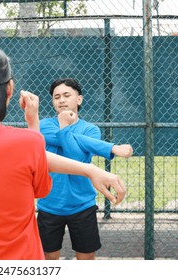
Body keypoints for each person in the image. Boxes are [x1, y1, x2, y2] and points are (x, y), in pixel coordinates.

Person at [0, 46, 127, 260]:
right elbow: (36, 170)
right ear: (9, 89)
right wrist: (33, 122)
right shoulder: (28, 141)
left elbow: (21, 151)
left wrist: (88, 169)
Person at [37, 78, 133, 260]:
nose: (61, 100)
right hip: (50, 204)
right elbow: (70, 142)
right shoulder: (44, 125)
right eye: (56, 97)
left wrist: (64, 128)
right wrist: (110, 147)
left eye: (67, 95)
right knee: (48, 256)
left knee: (86, 257)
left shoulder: (91, 130)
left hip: (82, 205)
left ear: (79, 99)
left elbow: (75, 157)